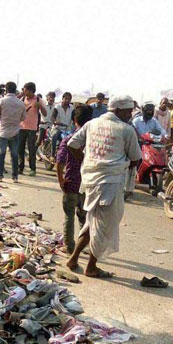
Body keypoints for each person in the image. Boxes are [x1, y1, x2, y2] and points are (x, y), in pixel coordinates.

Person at [66, 95, 142, 278]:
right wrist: (120, 169)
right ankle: (91, 266)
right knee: (103, 226)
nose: (130, 115)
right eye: (128, 111)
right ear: (118, 110)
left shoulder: (92, 124)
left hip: (91, 181)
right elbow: (136, 158)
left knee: (92, 221)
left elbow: (72, 144)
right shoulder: (126, 129)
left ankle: (74, 258)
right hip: (110, 183)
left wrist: (86, 161)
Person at [56, 104, 93, 253]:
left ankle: (70, 247)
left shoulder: (69, 139)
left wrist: (61, 180)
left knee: (69, 217)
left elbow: (60, 162)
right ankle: (82, 245)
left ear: (75, 119)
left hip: (71, 182)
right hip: (87, 184)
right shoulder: (92, 142)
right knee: (84, 218)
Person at [0, 81, 26, 182]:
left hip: (3, 131)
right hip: (15, 131)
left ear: (6, 90)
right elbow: (23, 117)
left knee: (1, 153)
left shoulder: (2, 101)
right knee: (14, 155)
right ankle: (15, 176)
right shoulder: (21, 103)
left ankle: (0, 176)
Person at [19, 82, 46, 177]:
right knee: (20, 149)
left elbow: (45, 114)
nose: (23, 91)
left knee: (32, 150)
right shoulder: (22, 99)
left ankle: (32, 169)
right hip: (21, 127)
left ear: (30, 90)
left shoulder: (38, 99)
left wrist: (40, 106)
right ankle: (20, 168)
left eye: (25, 89)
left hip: (32, 128)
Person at [51, 92, 74, 157]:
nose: (67, 100)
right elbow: (52, 117)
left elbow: (74, 117)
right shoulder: (57, 107)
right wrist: (55, 122)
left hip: (67, 129)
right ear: (62, 98)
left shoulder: (72, 108)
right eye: (66, 99)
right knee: (54, 136)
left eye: (69, 99)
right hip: (57, 128)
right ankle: (52, 155)